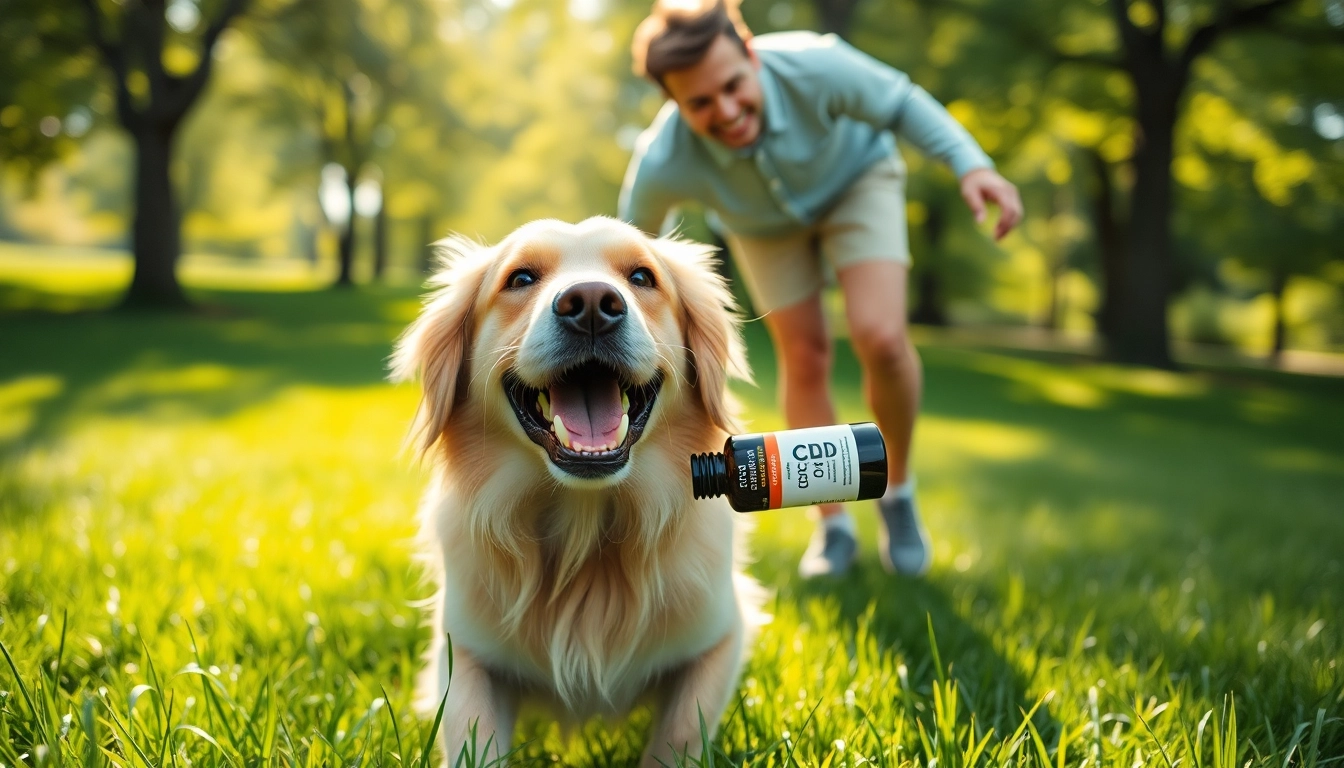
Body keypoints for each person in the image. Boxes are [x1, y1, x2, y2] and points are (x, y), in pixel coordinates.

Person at [618, 0, 1023, 578]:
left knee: (879, 336)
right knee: (805, 356)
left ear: (751, 54)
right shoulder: (663, 159)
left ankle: (898, 494)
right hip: (763, 230)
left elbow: (901, 101)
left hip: (858, 181)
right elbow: (627, 251)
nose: (728, 112)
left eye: (733, 85)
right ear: (675, 103)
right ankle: (832, 524)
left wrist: (971, 165)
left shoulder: (816, 65)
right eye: (701, 103)